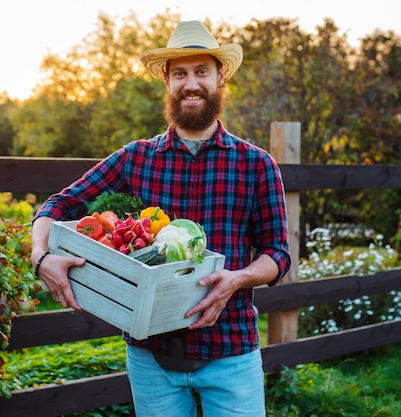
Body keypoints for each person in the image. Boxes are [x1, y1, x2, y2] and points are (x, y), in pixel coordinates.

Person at [30, 20, 291, 416]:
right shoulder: (136, 158)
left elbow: (277, 253)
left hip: (231, 351)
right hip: (152, 358)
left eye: (202, 71)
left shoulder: (256, 164)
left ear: (220, 78)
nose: (191, 83)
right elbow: (57, 207)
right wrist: (41, 258)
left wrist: (237, 279)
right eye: (180, 73)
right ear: (167, 83)